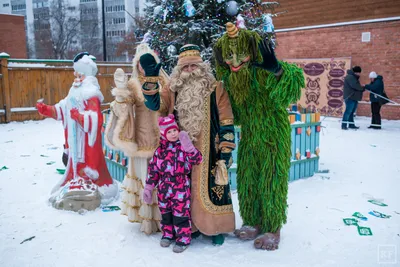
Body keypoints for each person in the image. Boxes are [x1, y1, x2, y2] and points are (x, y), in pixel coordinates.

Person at [213, 22, 304, 250]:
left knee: (271, 179)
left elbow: (293, 84)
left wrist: (277, 70)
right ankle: (253, 220)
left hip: (273, 134)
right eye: (229, 55)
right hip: (250, 137)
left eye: (240, 54)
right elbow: (233, 109)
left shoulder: (262, 71)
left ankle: (273, 227)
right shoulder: (234, 79)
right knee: (248, 178)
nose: (234, 60)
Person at [139, 44, 236, 245]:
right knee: (181, 191)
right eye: (186, 67)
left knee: (211, 190)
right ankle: (187, 227)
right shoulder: (172, 90)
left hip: (209, 149)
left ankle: (214, 227)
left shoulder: (216, 88)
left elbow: (227, 120)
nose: (190, 71)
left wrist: (225, 151)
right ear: (179, 70)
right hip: (177, 152)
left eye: (194, 66)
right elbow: (154, 105)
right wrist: (150, 80)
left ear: (202, 68)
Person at [36, 52, 117, 211]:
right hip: (74, 140)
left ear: (86, 75)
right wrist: (46, 109)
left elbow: (96, 118)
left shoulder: (91, 93)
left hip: (86, 141)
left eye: (80, 74)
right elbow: (62, 108)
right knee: (75, 162)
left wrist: (79, 117)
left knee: (88, 164)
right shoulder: (74, 91)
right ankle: (76, 180)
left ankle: (90, 185)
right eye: (76, 73)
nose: (76, 76)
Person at [104, 43, 169, 234]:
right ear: (137, 65)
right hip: (143, 139)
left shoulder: (165, 81)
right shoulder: (133, 84)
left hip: (165, 137)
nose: (143, 66)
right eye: (140, 63)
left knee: (165, 180)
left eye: (147, 62)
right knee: (146, 178)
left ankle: (166, 218)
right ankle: (148, 221)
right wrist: (121, 93)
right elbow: (123, 107)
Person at [143, 115, 203, 253]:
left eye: (174, 130)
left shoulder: (183, 148)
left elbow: (198, 159)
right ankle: (168, 235)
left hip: (180, 187)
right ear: (164, 134)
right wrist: (149, 187)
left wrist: (190, 148)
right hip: (164, 187)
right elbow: (153, 170)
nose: (173, 134)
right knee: (166, 213)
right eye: (169, 132)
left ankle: (183, 239)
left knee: (181, 214)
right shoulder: (159, 151)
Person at [342, 66, 365, 130]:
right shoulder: (350, 77)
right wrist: (362, 88)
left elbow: (355, 85)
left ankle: (351, 125)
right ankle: (344, 125)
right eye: (358, 73)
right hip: (350, 97)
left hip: (353, 97)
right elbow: (355, 86)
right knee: (348, 111)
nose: (359, 74)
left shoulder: (353, 77)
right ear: (355, 72)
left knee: (351, 112)